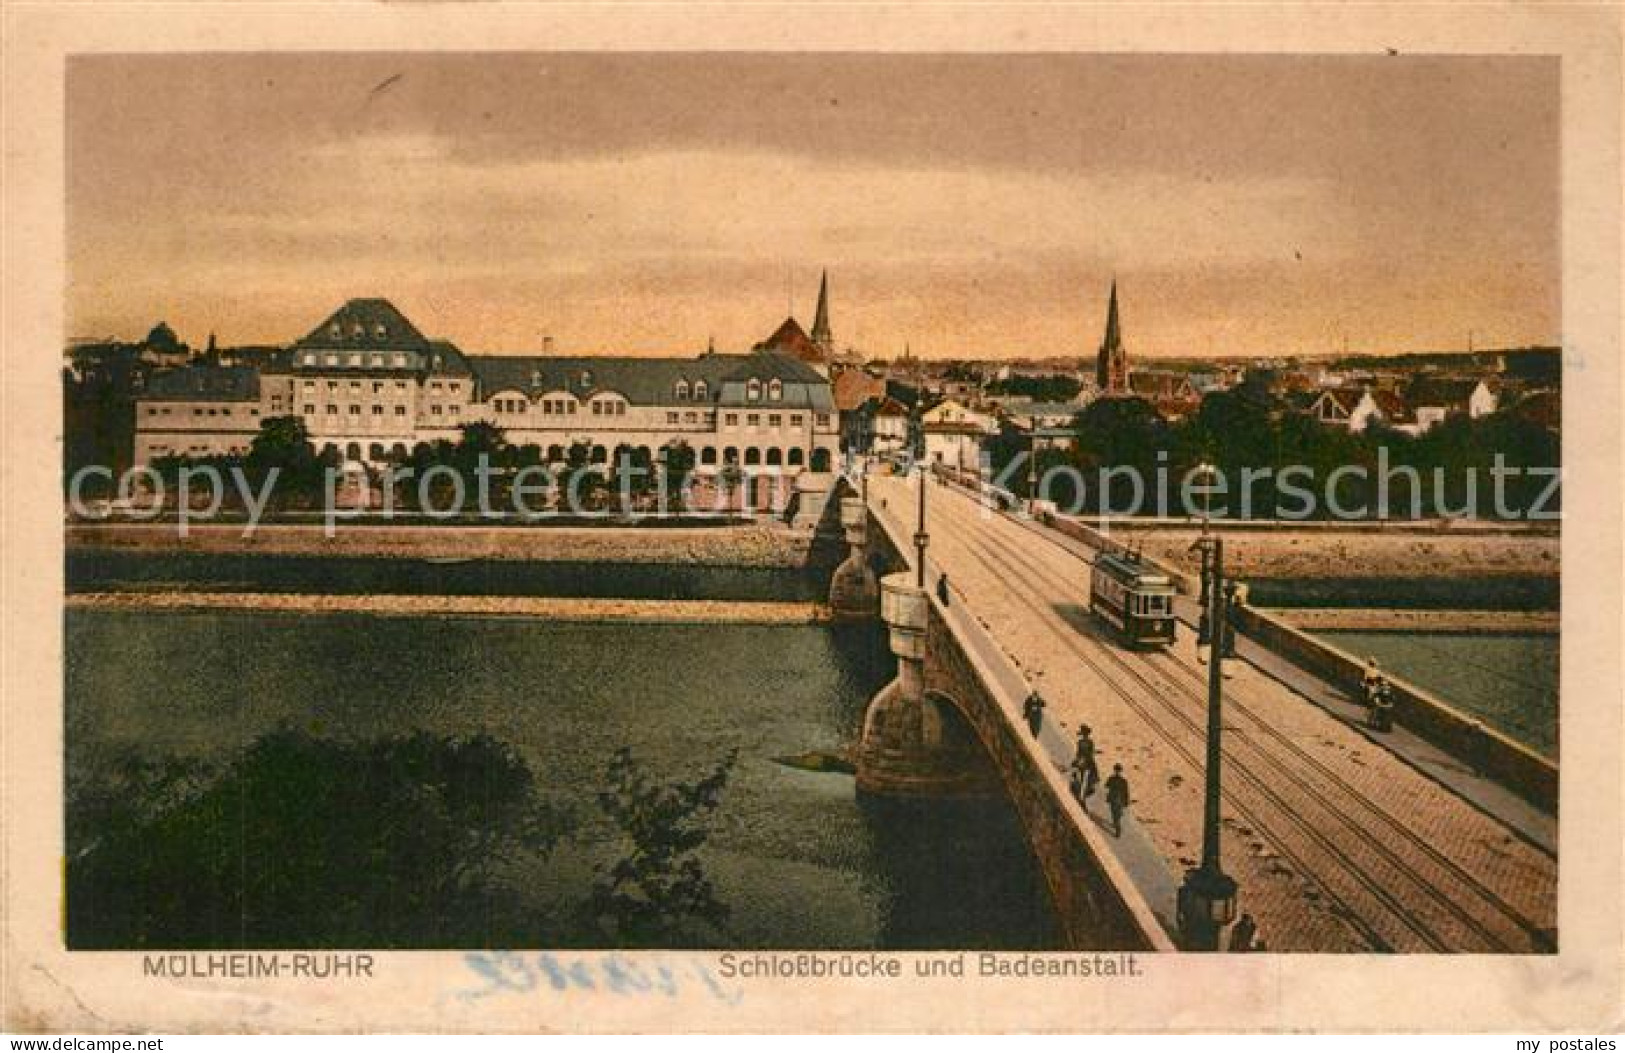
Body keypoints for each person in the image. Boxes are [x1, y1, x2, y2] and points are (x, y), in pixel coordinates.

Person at [1072, 725, 1100, 800]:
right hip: (1087, 761)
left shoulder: (1080, 742)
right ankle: (1083, 794)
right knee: (1089, 778)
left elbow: (1078, 752)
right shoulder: (1090, 742)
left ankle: (1081, 793)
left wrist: (1078, 760)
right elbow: (1090, 752)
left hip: (1082, 760)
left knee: (1082, 777)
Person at [1105, 763, 1131, 836]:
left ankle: (1117, 830)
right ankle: (1116, 825)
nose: (1117, 772)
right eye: (1117, 771)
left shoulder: (1113, 779)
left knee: (1115, 815)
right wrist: (1126, 802)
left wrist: (1126, 802)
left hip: (1116, 800)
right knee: (1115, 814)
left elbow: (1106, 785)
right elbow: (1126, 792)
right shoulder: (1123, 781)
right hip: (1118, 800)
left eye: (1118, 771)